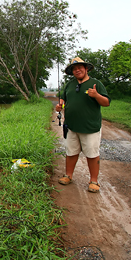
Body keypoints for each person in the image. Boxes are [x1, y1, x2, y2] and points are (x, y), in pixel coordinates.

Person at [55, 57, 110, 193]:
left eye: (80, 67)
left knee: (92, 154)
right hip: (71, 126)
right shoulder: (69, 84)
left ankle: (94, 181)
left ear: (86, 69)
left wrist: (96, 95)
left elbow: (106, 102)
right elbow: (64, 99)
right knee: (71, 152)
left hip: (90, 127)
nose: (77, 70)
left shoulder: (95, 83)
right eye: (74, 69)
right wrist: (59, 106)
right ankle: (68, 175)